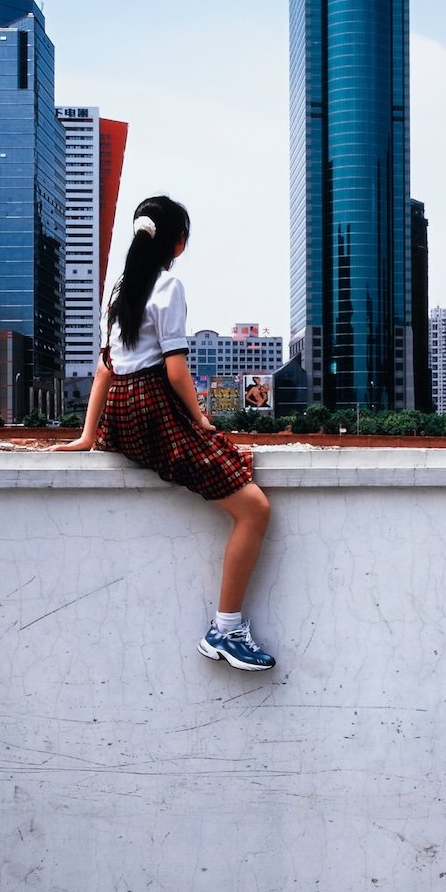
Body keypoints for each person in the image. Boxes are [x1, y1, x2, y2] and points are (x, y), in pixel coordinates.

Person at [61, 195, 276, 671]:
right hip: (152, 407)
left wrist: (88, 434)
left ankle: (227, 629)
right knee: (254, 508)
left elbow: (104, 369)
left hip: (121, 415)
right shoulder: (169, 285)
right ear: (177, 244)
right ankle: (226, 629)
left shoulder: (118, 291)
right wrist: (200, 419)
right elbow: (177, 371)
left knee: (230, 472)